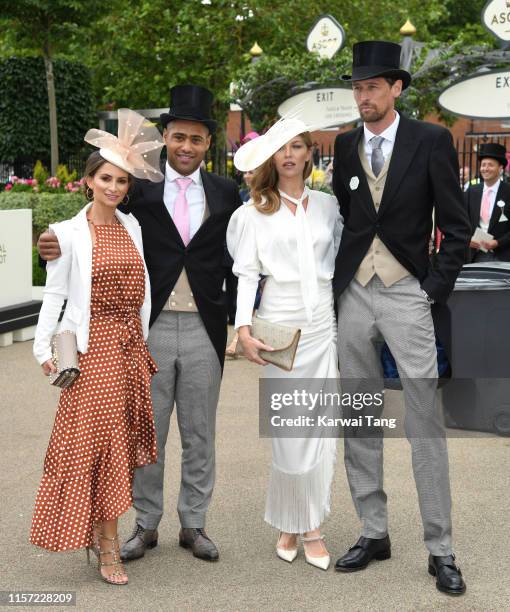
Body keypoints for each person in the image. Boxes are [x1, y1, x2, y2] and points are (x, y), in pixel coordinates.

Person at [38, 85, 242, 563]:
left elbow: (242, 254)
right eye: (178, 137)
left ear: (207, 143)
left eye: (195, 138)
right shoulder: (140, 190)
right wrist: (54, 239)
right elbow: (96, 214)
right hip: (146, 331)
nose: (186, 146)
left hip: (204, 330)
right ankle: (145, 524)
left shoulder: (226, 192)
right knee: (146, 430)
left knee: (200, 433)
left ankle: (194, 523)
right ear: (165, 137)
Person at [332, 41, 471, 595]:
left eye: (372, 86)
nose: (363, 96)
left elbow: (456, 227)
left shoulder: (432, 140)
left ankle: (440, 548)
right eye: (357, 88)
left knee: (423, 423)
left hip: (407, 293)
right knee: (361, 418)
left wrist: (429, 290)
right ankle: (374, 531)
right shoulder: (344, 147)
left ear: (396, 88)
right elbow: (348, 221)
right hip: (353, 297)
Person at [31, 109, 164, 585]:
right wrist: (43, 351)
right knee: (101, 447)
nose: (114, 187)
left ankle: (101, 536)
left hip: (129, 350)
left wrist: (140, 341)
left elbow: (141, 290)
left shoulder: (133, 229)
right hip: (92, 355)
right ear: (88, 181)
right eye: (106, 178)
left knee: (115, 448)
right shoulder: (66, 234)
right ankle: (108, 549)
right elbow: (56, 295)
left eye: (122, 181)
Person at [227, 115, 343, 571]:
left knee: (319, 431)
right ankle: (293, 521)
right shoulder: (252, 212)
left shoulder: (329, 207)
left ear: (310, 152)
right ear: (272, 158)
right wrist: (242, 330)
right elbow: (246, 277)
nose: (291, 155)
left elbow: (338, 262)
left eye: (298, 146)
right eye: (282, 148)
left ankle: (306, 525)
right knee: (290, 434)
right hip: (280, 330)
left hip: (323, 326)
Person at [465, 143, 510, 262]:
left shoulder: (508, 192)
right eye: (483, 165)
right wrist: (468, 239)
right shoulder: (472, 191)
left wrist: (498, 242)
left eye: (490, 165)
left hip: (503, 255)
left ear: (500, 167)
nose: (485, 168)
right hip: (474, 254)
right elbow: (461, 220)